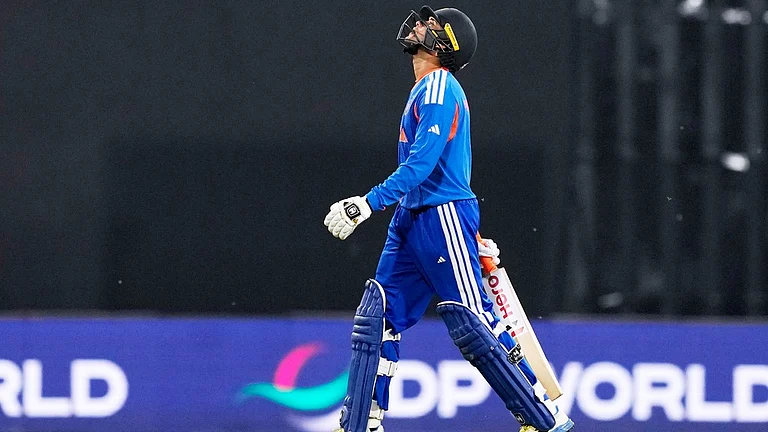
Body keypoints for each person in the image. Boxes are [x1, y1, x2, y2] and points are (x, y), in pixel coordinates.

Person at [323, 5, 574, 432]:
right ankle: (362, 421)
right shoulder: (425, 88)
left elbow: (422, 163)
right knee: (376, 317)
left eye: (431, 25)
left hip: (442, 215)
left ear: (444, 46)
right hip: (415, 216)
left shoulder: (439, 84)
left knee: (469, 321)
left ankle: (543, 419)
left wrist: (367, 203)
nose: (419, 25)